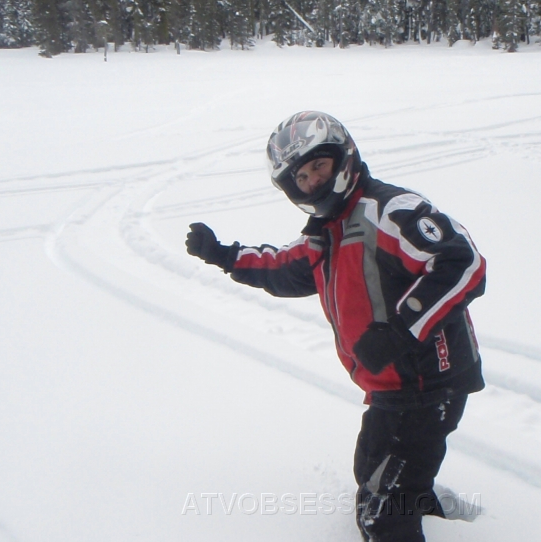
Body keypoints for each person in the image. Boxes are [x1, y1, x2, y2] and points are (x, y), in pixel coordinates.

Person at [185, 111, 486, 542]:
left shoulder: (388, 209)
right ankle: (427, 511)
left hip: (427, 380)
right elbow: (283, 267)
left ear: (341, 157)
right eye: (302, 177)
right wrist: (225, 255)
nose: (313, 182)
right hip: (391, 385)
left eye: (319, 167)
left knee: (382, 512)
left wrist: (401, 328)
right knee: (373, 468)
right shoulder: (325, 233)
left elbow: (463, 263)